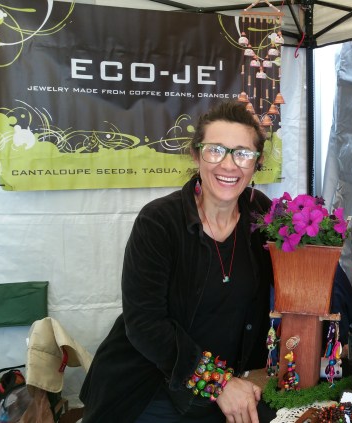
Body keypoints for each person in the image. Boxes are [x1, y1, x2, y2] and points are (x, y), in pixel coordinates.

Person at [80, 101, 276, 423]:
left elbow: (301, 275)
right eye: (215, 151)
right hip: (152, 385)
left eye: (242, 153)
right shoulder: (159, 222)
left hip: (233, 383)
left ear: (256, 163)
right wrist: (216, 382)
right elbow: (144, 324)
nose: (229, 165)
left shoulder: (262, 216)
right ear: (196, 155)